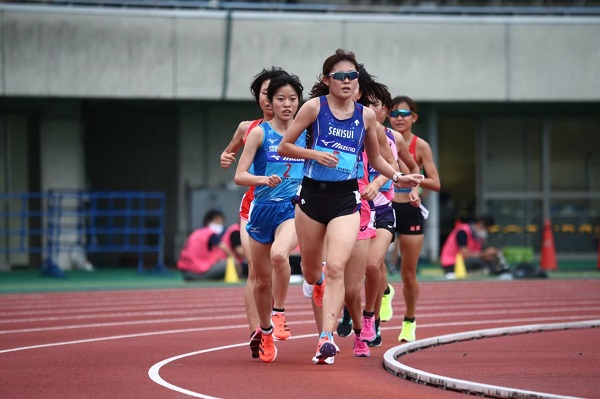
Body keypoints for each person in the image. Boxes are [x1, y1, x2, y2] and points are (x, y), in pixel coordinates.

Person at [278, 48, 423, 365]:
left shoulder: (366, 116)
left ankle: (326, 339)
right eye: (340, 76)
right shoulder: (313, 108)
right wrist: (315, 155)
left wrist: (399, 176)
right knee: (312, 270)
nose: (346, 81)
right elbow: (284, 144)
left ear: (357, 81)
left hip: (346, 199)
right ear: (327, 80)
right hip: (312, 196)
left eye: (352, 76)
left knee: (338, 268)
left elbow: (376, 160)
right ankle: (313, 283)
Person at [234, 72, 305, 363]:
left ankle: (279, 314)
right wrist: (263, 180)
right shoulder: (259, 133)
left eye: (292, 99)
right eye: (280, 99)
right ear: (269, 103)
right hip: (261, 210)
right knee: (261, 281)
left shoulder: (306, 132)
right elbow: (240, 176)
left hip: (293, 209)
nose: (287, 104)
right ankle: (264, 332)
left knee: (280, 255)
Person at [220, 67, 290, 358]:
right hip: (253, 207)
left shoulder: (296, 128)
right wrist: (226, 156)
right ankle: (258, 331)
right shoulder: (248, 128)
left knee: (280, 259)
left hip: (287, 206)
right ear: (262, 98)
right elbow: (230, 154)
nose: (270, 99)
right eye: (266, 93)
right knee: (255, 271)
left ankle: (278, 314)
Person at [388, 95, 441, 343]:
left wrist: (414, 181)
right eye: (394, 114)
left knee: (408, 274)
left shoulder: (421, 146)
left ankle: (409, 321)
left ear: (414, 118)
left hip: (410, 209)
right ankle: (384, 292)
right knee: (372, 263)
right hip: (385, 207)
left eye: (404, 114)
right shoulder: (381, 139)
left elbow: (435, 182)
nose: (399, 118)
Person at [440, 214, 509, 278]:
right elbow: (466, 255)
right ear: (480, 224)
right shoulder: (462, 232)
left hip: (466, 262)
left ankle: (502, 271)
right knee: (478, 262)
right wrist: (485, 253)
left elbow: (477, 253)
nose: (486, 232)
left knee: (490, 260)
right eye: (486, 229)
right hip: (453, 264)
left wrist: (489, 255)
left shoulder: (478, 237)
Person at [177, 209, 229, 281]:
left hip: (186, 271)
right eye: (217, 221)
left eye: (221, 221)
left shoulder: (196, 232)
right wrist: (234, 259)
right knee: (230, 263)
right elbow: (224, 247)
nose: (220, 224)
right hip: (197, 272)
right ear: (208, 221)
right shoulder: (210, 234)